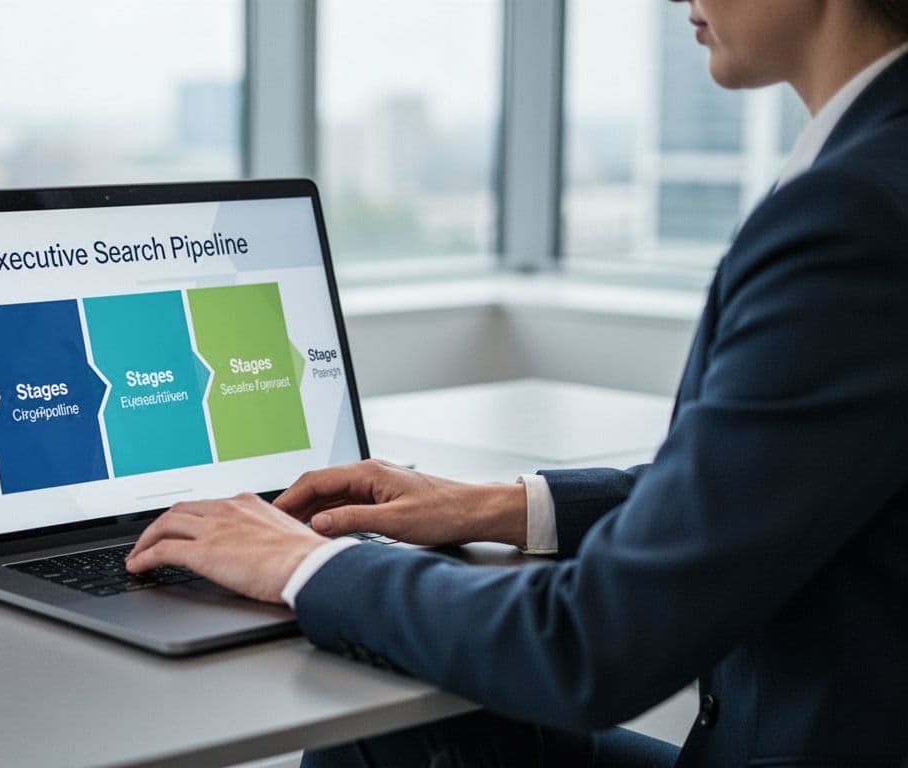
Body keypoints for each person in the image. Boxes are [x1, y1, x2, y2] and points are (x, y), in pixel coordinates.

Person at [126, 0, 908, 765]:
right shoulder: (874, 172)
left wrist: (303, 565)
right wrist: (492, 506)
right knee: (390, 722)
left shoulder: (852, 216)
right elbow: (759, 489)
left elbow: (595, 646)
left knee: (378, 702)